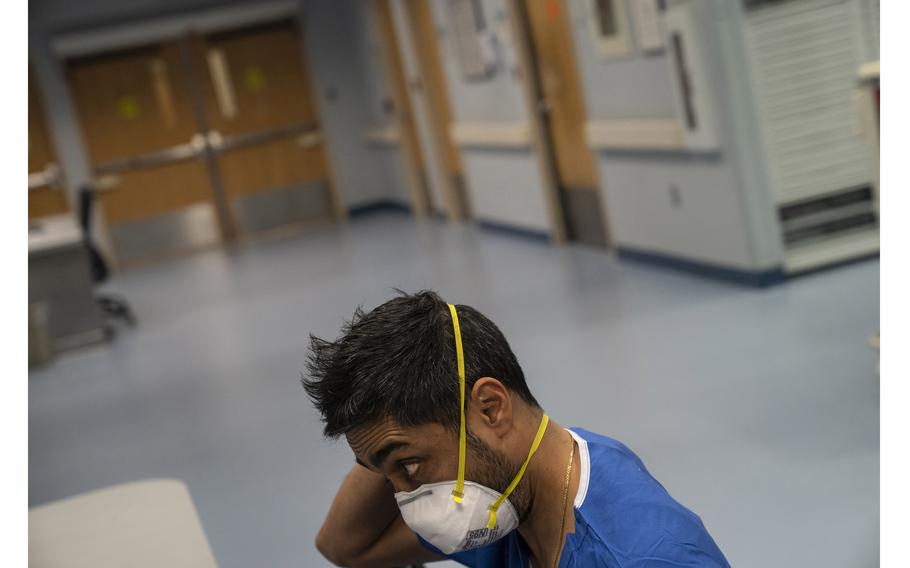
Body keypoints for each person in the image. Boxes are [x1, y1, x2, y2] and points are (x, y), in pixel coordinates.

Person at [303, 291, 729, 567]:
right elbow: (346, 547)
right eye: (387, 476)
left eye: (410, 466)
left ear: (491, 408)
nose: (405, 500)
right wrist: (382, 452)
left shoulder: (645, 557)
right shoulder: (509, 497)